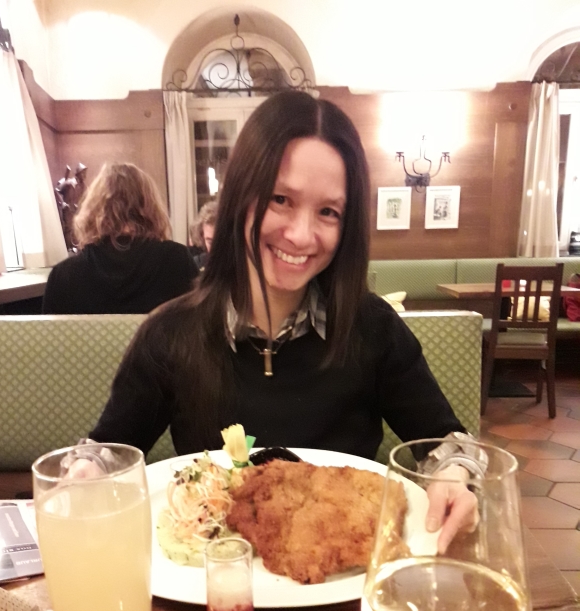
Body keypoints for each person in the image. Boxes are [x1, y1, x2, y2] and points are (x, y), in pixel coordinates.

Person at [89, 92, 482, 550]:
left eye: (328, 212)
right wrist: (84, 470)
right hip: (212, 577)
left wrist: (455, 476)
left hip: (347, 573)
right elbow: (106, 453)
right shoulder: (170, 334)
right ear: (240, 196)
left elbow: (447, 444)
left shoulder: (373, 328)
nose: (300, 234)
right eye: (281, 199)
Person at [43, 162, 198, 314]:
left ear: (94, 208)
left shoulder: (63, 276)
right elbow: (201, 326)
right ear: (151, 206)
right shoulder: (178, 261)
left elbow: (50, 332)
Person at [189, 200, 218, 270]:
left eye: (220, 241)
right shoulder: (196, 265)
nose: (216, 248)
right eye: (210, 242)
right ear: (202, 237)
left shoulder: (241, 265)